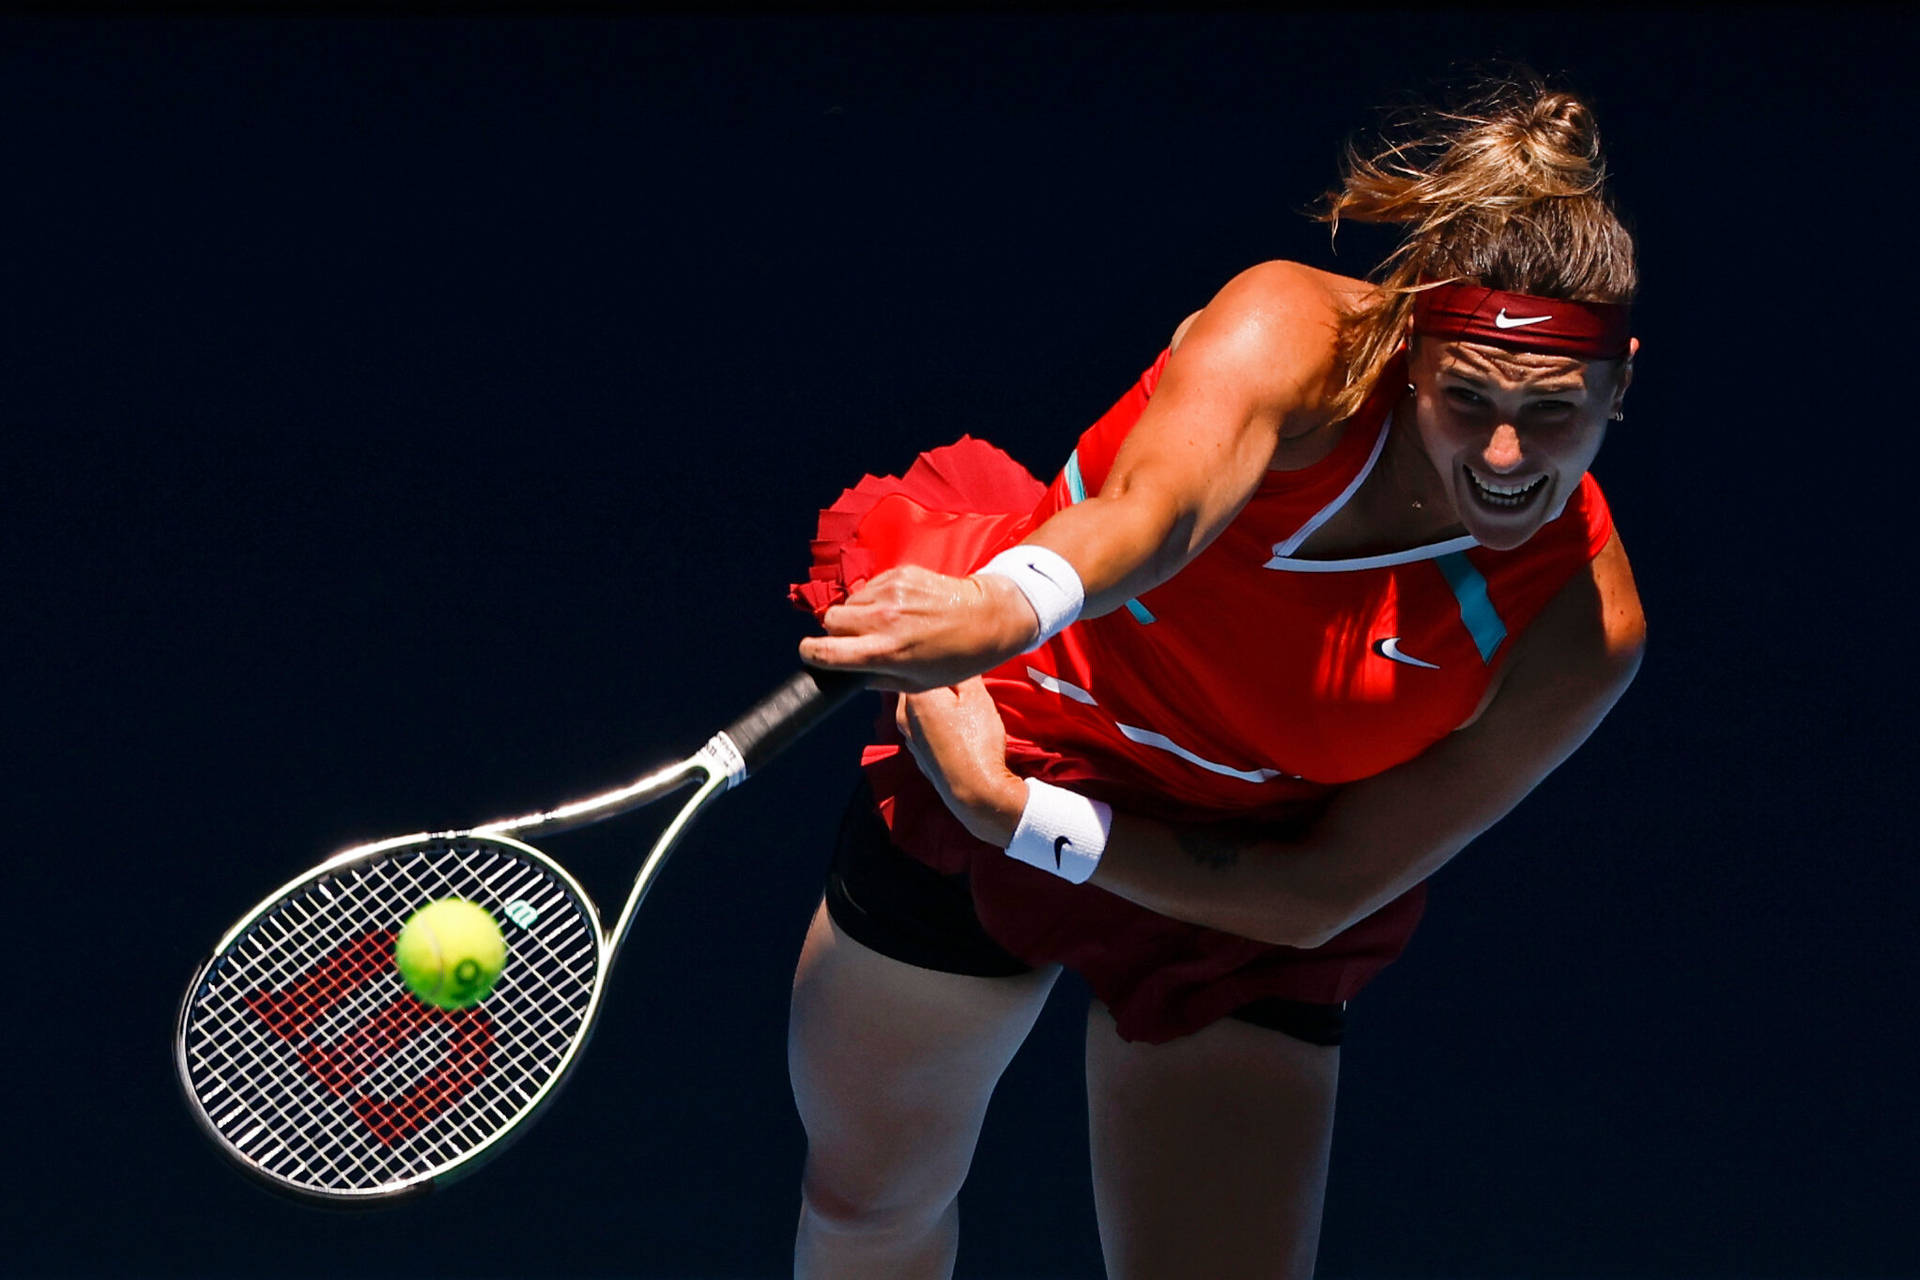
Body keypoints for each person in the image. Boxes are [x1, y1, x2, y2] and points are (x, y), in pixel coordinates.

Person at [785, 75, 1645, 1280]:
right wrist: (995, 607)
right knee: (866, 1203)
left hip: (1226, 883)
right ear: (1409, 353)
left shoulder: (1578, 624)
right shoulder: (1295, 332)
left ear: (1620, 384)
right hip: (1023, 721)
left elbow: (1317, 894)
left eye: (1551, 412)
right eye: (1468, 400)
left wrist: (1017, 816)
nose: (1505, 453)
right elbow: (1161, 511)